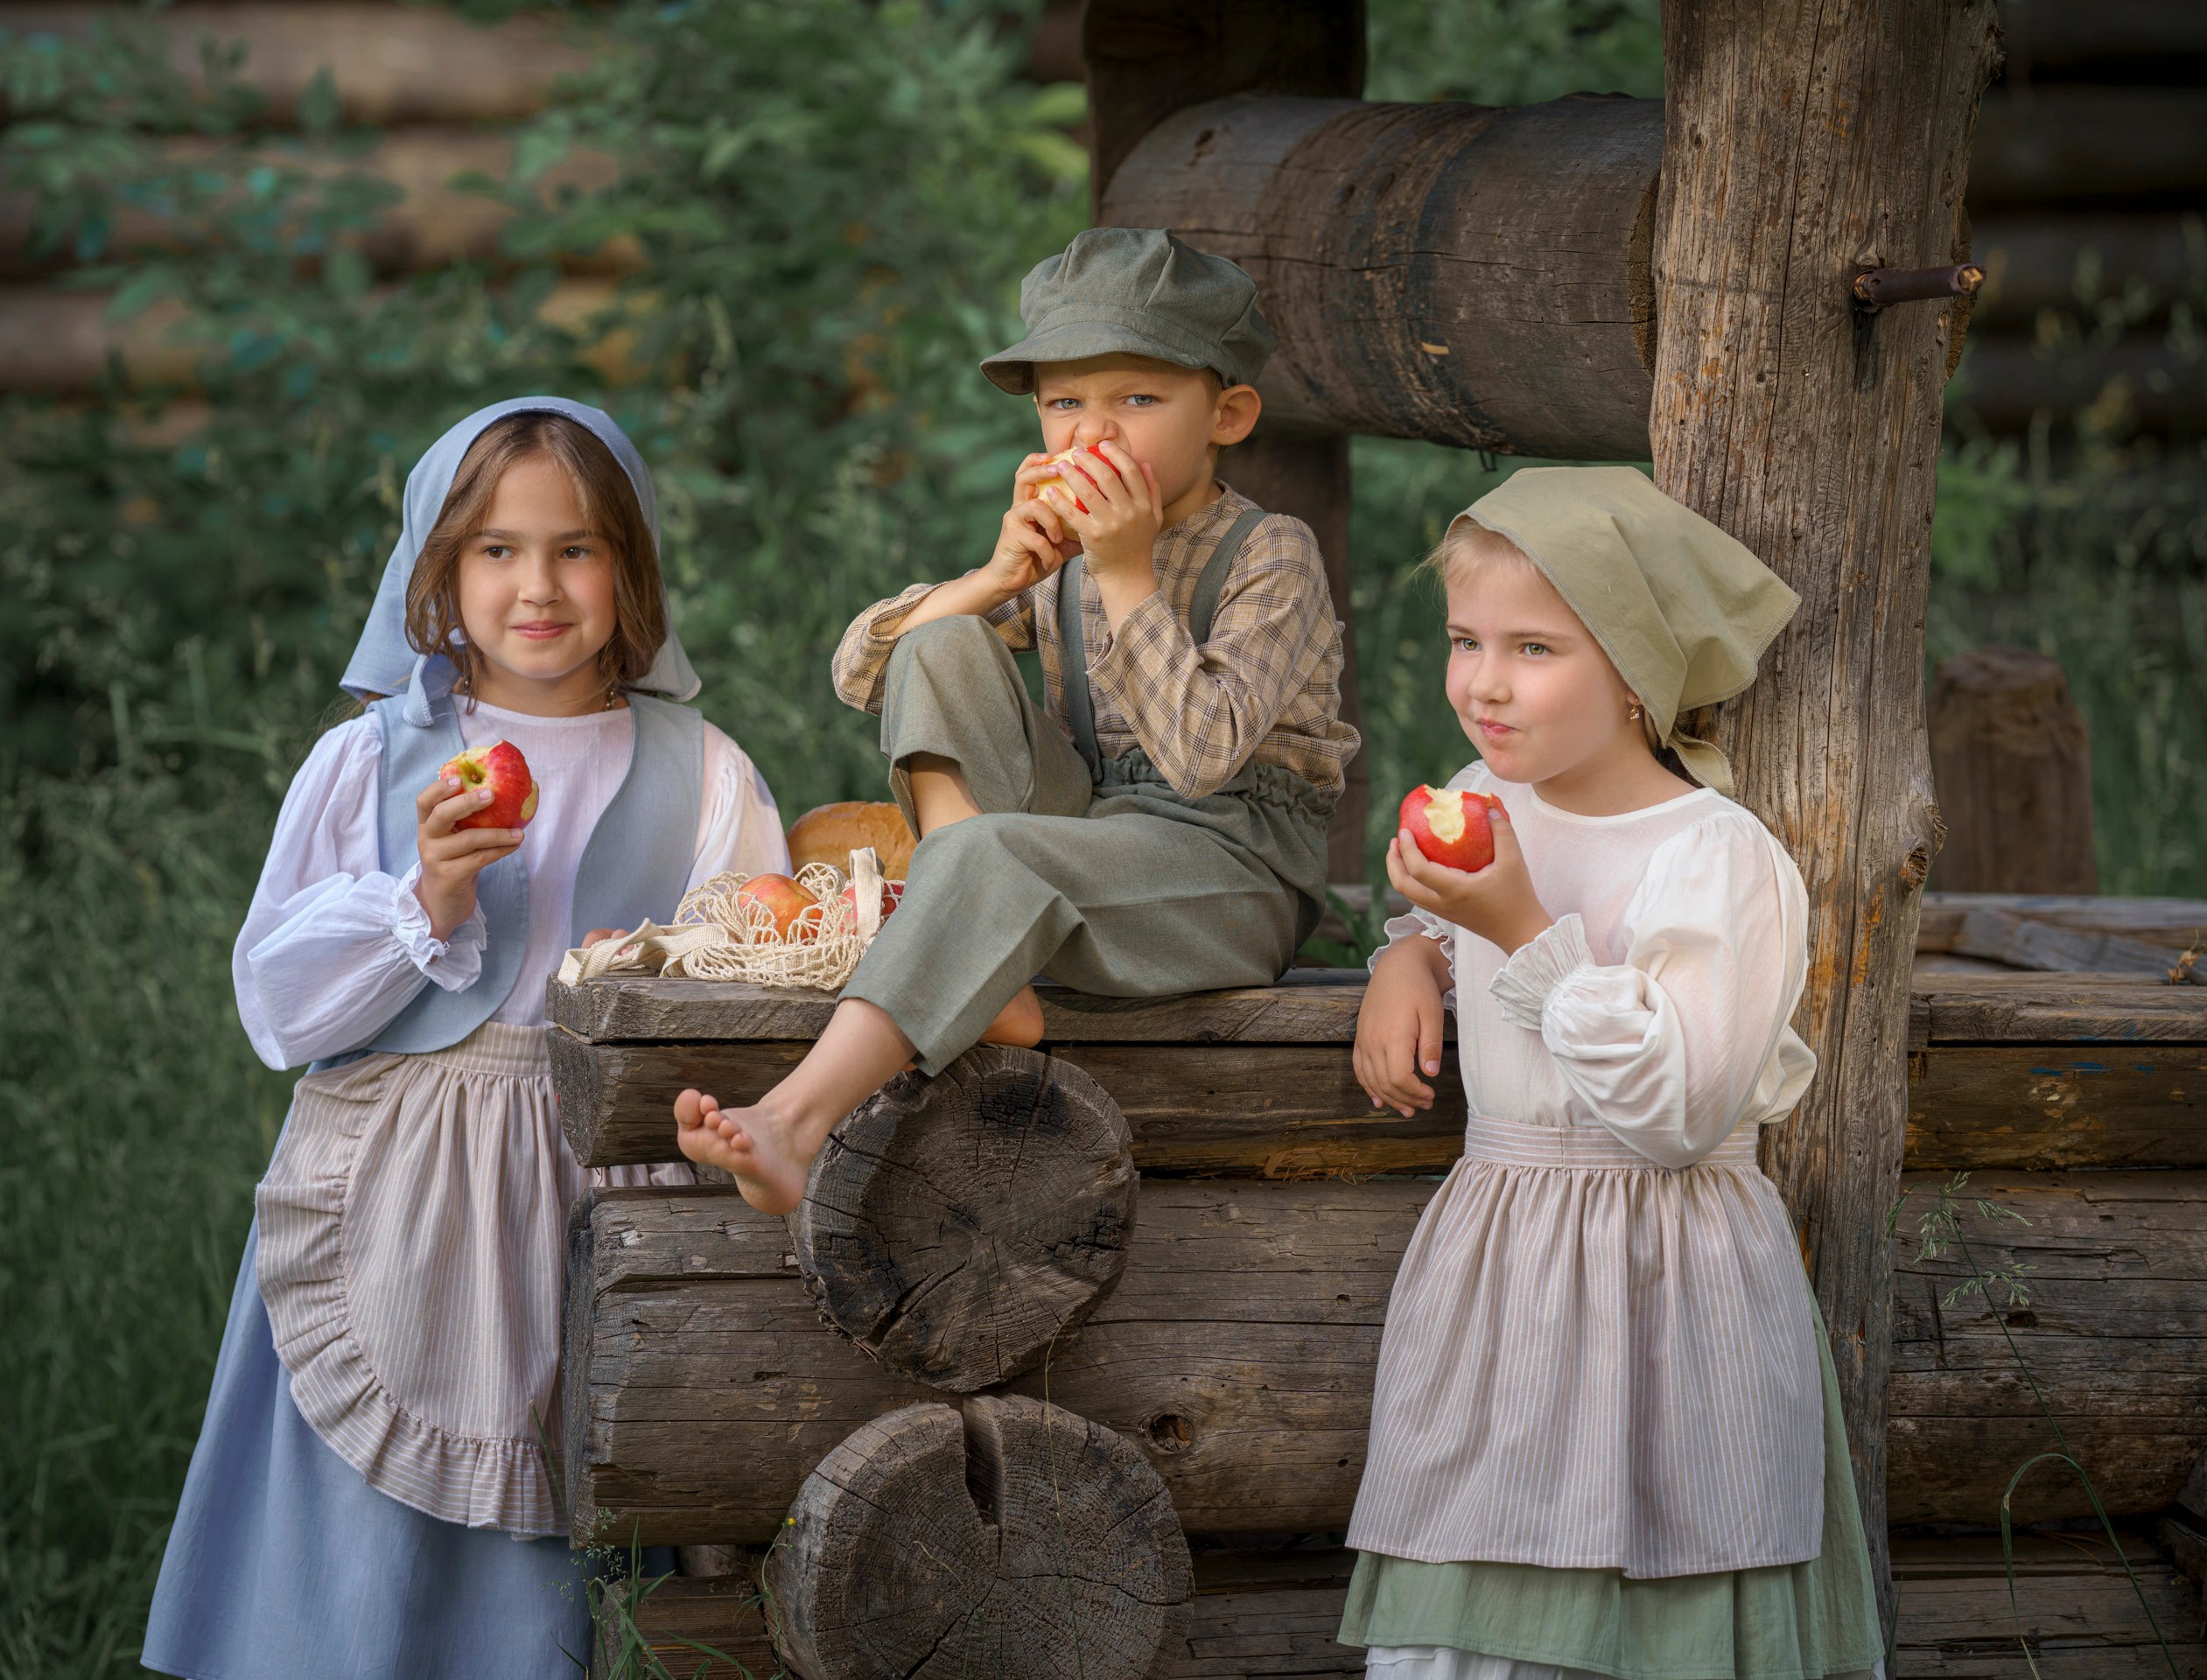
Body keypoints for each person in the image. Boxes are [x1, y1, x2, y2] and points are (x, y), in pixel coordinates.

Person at [142, 398, 788, 1679]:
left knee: (563, 1545)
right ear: (436, 572)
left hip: (589, 1198)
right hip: (398, 1193)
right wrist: (425, 897)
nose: (536, 587)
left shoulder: (703, 771)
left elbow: (743, 998)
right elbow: (278, 1011)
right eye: (495, 550)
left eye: (577, 548)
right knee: (354, 1558)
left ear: (632, 568)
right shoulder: (371, 761)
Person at [673, 227, 1359, 1213]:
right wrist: (997, 577)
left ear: (1228, 413)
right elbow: (859, 672)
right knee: (939, 643)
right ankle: (989, 969)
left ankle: (792, 1122)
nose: (1095, 432)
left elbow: (1204, 757)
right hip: (1080, 842)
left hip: (1227, 877)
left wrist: (1123, 574)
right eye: (1065, 402)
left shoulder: (1269, 555)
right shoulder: (1063, 552)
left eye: (1137, 398)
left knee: (993, 853)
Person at [1340, 466, 1887, 1680]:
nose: (1483, 683)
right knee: (1463, 1620)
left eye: (1533, 648)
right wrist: (1409, 956)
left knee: (1662, 1610)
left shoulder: (1717, 858)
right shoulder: (1482, 801)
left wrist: (1522, 928)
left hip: (1665, 1277)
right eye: (1464, 641)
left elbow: (1675, 1115)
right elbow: (1442, 919)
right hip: (1504, 1277)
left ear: (1636, 670)